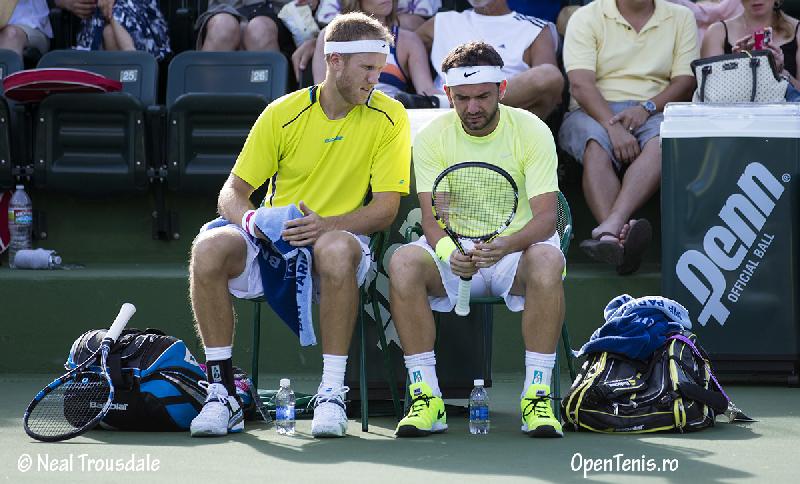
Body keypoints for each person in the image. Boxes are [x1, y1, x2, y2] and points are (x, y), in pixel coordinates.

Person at [188, 11, 410, 438]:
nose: (374, 80)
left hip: (339, 244)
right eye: (367, 69)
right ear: (335, 62)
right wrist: (254, 221)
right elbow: (231, 194)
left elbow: (384, 210)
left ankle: (331, 392)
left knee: (336, 247)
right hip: (274, 239)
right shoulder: (281, 113)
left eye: (379, 70)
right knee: (208, 249)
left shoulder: (390, 116)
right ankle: (221, 392)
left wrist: (326, 225)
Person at [388, 41, 565, 438]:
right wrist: (452, 251)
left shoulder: (532, 130)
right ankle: (426, 397)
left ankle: (537, 397)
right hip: (456, 251)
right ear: (448, 94)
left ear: (502, 89)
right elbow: (434, 219)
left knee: (549, 261)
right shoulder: (433, 137)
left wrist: (508, 244)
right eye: (462, 98)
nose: (472, 108)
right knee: (402, 262)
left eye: (483, 96)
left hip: (513, 253)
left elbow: (546, 219)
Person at [560, 0, 697, 275]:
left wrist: (646, 108)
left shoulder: (681, 16)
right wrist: (613, 127)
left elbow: (685, 82)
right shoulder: (586, 16)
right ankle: (621, 239)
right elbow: (580, 84)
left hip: (656, 107)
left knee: (663, 142)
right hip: (594, 108)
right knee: (595, 145)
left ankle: (611, 231)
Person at [416, 0, 564, 120]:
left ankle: (446, 104)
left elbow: (552, 94)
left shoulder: (535, 29)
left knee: (550, 74)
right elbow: (399, 50)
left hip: (501, 122)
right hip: (443, 121)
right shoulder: (442, 21)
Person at [311, 0, 441, 99]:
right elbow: (322, 92)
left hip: (389, 120)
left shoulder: (409, 41)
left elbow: (427, 92)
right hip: (343, 121)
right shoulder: (330, 36)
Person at [701, 0, 800, 91]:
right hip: (736, 109)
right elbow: (709, 91)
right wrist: (737, 67)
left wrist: (780, 72)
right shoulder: (717, 32)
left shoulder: (797, 30)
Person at [68, 0, 170, 61]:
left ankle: (133, 60)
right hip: (94, 15)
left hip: (139, 14)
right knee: (109, 33)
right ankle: (136, 67)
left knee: (110, 31)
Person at [196, 0, 294, 56]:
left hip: (279, 11)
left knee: (260, 30)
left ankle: (268, 90)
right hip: (224, 8)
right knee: (222, 27)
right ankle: (205, 89)